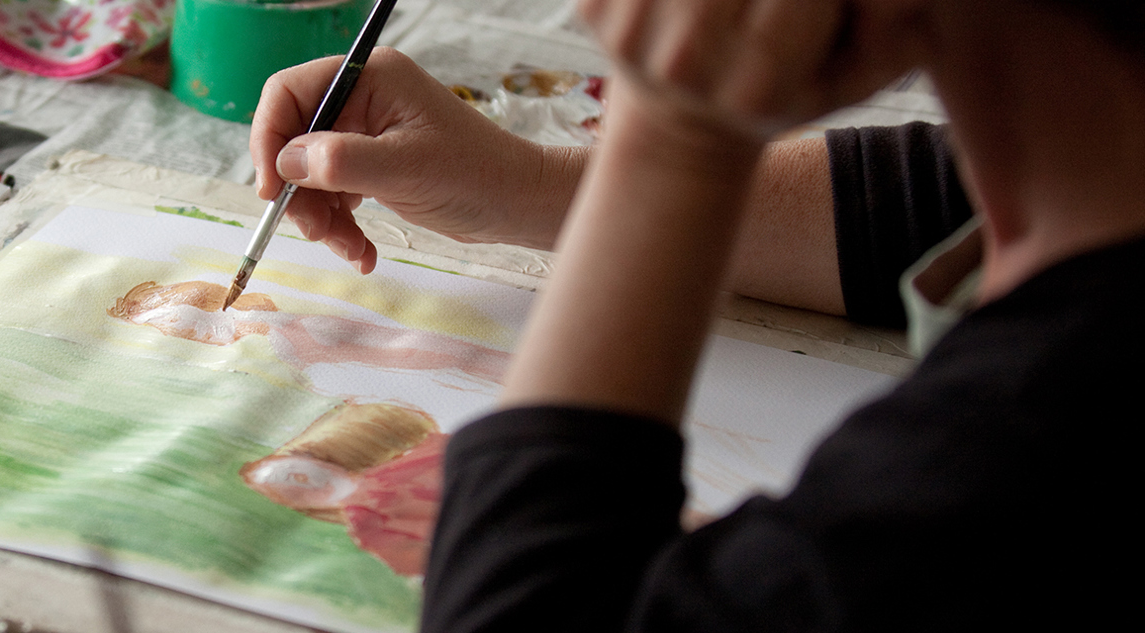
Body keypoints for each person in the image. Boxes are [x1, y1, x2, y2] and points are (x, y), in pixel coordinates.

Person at [249, 0, 1142, 630]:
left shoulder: (1042, 435)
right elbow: (932, 200)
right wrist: (536, 189)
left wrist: (673, 136)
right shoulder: (1097, 147)